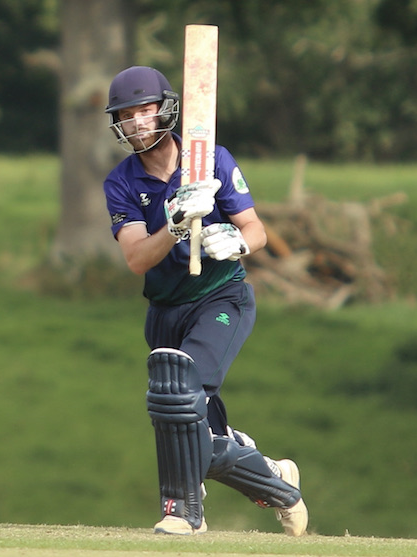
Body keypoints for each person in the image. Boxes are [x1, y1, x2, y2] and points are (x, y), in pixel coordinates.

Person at [101, 65, 309, 536]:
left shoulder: (211, 159)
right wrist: (173, 225)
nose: (137, 123)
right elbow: (136, 258)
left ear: (165, 111)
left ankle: (184, 514)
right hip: (164, 312)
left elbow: (256, 229)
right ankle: (276, 483)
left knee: (176, 394)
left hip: (221, 298)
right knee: (199, 435)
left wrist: (235, 241)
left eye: (145, 111)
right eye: (127, 115)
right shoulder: (121, 182)